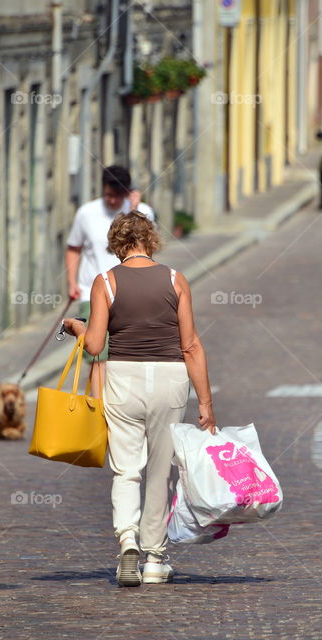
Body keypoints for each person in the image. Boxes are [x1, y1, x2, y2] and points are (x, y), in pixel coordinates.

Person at [64, 212, 216, 588]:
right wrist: (206, 404)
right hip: (169, 379)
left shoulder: (105, 282)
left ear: (117, 245)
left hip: (123, 380)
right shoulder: (175, 279)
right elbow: (191, 345)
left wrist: (78, 327)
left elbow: (96, 345)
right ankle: (154, 559)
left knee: (127, 469)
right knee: (160, 471)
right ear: (151, 240)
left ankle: (127, 540)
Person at [65, 165, 154, 365]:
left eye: (117, 195)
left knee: (130, 355)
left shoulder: (143, 212)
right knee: (96, 354)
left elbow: (147, 249)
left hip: (132, 292)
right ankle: (99, 398)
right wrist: (72, 284)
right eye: (108, 194)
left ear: (128, 192)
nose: (112, 200)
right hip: (92, 292)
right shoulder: (86, 213)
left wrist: (134, 211)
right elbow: (73, 248)